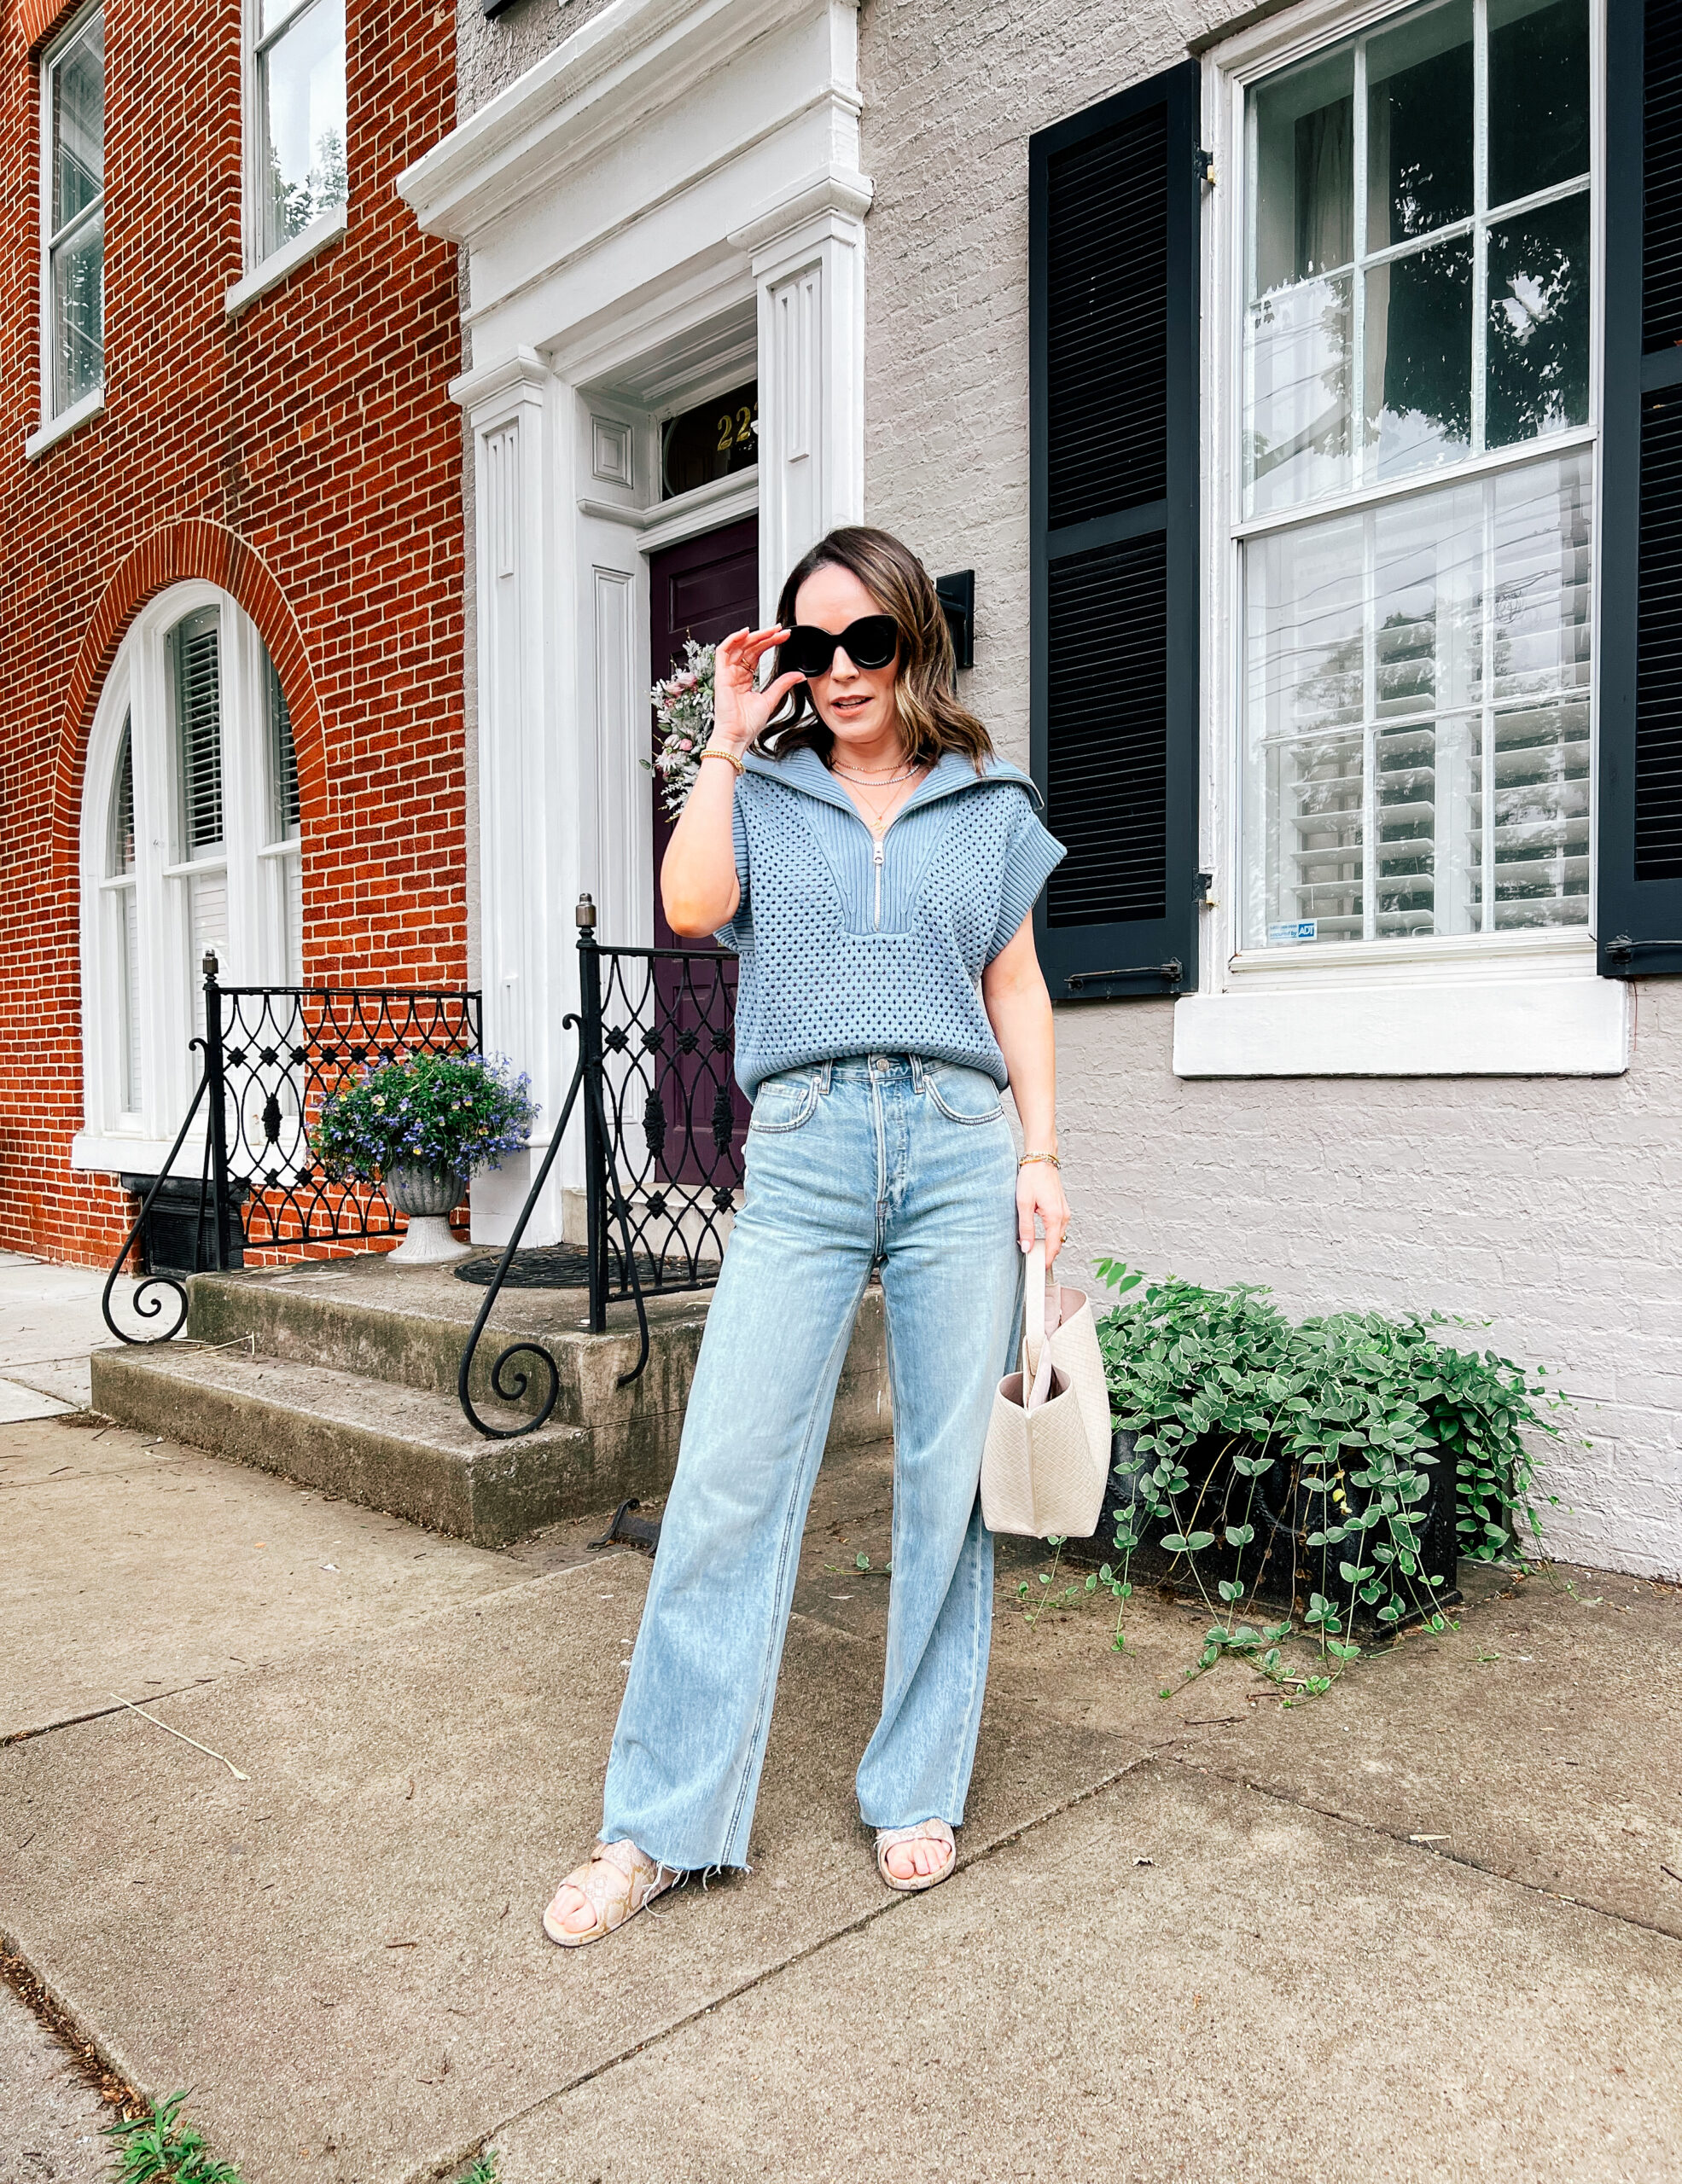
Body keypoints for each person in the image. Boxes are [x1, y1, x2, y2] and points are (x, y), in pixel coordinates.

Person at [544, 526, 1068, 1945]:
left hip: (958, 1143)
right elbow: (690, 906)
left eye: (867, 640)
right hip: (808, 1144)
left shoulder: (986, 799)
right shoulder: (765, 793)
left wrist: (1041, 1155)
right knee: (726, 1476)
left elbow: (1015, 986)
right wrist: (725, 737)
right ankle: (659, 1825)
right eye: (815, 644)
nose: (842, 669)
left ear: (912, 642)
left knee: (945, 1484)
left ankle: (916, 1783)